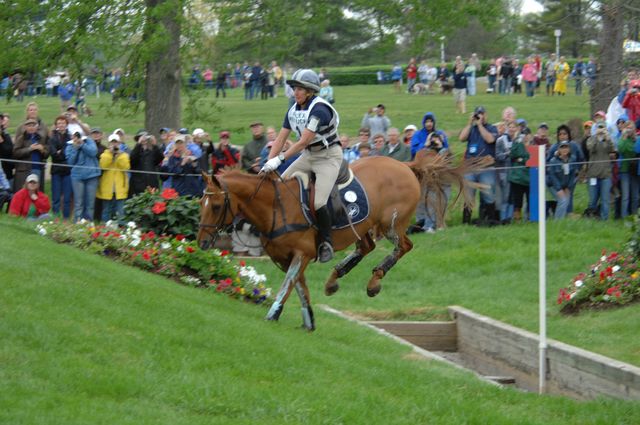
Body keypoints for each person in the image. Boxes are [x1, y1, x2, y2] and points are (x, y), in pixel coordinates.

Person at [261, 68, 340, 263]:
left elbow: (303, 141)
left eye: (300, 89)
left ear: (310, 91)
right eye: (295, 88)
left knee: (319, 201)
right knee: (281, 186)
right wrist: (267, 163)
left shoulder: (319, 110)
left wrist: (279, 160)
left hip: (328, 156)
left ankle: (326, 243)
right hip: (308, 156)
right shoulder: (293, 110)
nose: (296, 92)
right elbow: (280, 139)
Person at [459, 106, 499, 225]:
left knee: (488, 195)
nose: (480, 116)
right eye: (478, 113)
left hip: (486, 168)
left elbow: (490, 139)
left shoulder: (492, 128)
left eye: (482, 113)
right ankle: (466, 222)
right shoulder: (472, 128)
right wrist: (470, 123)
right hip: (470, 168)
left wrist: (480, 125)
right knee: (468, 195)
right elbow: (462, 138)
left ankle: (490, 220)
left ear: (486, 115)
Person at [66, 131, 101, 222]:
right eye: (74, 136)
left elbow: (93, 152)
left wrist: (82, 145)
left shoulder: (89, 141)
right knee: (78, 203)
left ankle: (89, 224)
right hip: (77, 177)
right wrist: (75, 148)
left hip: (92, 176)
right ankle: (77, 224)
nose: (76, 138)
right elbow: (70, 162)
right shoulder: (69, 146)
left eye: (78, 136)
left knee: (90, 203)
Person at [585, 122, 617, 220]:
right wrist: (596, 137)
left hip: (605, 175)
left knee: (605, 200)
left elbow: (612, 149)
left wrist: (607, 138)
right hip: (593, 175)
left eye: (602, 128)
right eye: (599, 128)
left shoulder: (608, 140)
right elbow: (590, 148)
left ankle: (604, 220)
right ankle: (591, 218)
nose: (601, 130)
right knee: (593, 200)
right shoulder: (591, 139)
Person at [97, 133, 130, 222]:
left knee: (120, 211)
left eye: (116, 142)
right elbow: (103, 166)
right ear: (109, 144)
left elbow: (126, 167)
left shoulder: (124, 155)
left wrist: (118, 155)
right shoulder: (105, 154)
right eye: (112, 142)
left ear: (119, 143)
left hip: (120, 188)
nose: (114, 145)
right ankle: (105, 229)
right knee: (106, 210)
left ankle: (121, 229)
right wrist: (110, 155)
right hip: (107, 187)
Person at [13, 118, 49, 192]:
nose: (31, 127)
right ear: (25, 127)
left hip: (37, 169)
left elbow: (46, 154)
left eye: (33, 125)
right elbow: (15, 153)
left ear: (37, 127)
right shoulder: (21, 138)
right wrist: (29, 149)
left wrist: (42, 150)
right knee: (25, 192)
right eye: (29, 126)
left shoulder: (40, 138)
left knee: (36, 192)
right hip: (25, 170)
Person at [48, 115, 73, 219]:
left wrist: (60, 151)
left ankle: (66, 220)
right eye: (59, 123)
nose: (61, 125)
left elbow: (69, 153)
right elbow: (53, 154)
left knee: (67, 199)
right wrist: (61, 152)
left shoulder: (70, 137)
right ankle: (55, 219)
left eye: (63, 123)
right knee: (56, 198)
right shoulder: (52, 138)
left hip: (67, 171)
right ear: (56, 125)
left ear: (66, 125)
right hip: (56, 171)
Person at [547, 140, 578, 219]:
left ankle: (561, 219)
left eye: (566, 147)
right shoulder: (553, 161)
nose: (564, 150)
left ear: (569, 149)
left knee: (566, 200)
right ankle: (557, 221)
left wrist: (568, 188)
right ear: (559, 150)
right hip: (553, 185)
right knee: (562, 200)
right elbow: (552, 176)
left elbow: (573, 175)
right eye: (562, 148)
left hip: (566, 185)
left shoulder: (572, 159)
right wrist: (559, 189)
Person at [129, 131, 163, 196]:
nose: (144, 140)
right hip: (137, 186)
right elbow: (132, 159)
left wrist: (154, 145)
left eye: (146, 138)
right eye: (141, 138)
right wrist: (139, 144)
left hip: (151, 185)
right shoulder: (135, 151)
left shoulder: (152, 152)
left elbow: (160, 158)